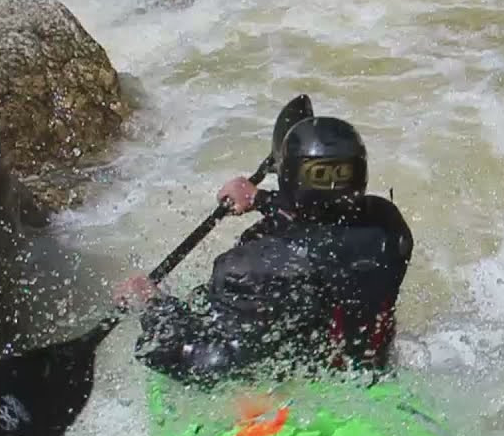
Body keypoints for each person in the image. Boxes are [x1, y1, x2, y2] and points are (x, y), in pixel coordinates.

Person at [114, 116, 413, 387]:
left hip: (292, 401)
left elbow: (206, 365)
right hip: (370, 378)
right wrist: (260, 199)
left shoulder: (251, 267)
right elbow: (326, 231)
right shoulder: (389, 227)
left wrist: (153, 305)